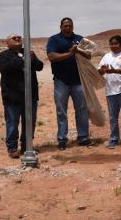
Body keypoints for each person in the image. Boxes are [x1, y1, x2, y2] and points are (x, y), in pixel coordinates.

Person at [46, 17, 91, 150]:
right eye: (65, 26)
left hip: (78, 80)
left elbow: (88, 55)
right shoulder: (54, 39)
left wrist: (80, 51)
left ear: (73, 26)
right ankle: (62, 139)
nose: (68, 28)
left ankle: (83, 137)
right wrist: (70, 53)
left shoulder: (79, 38)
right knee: (61, 111)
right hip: (61, 81)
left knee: (82, 109)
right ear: (60, 27)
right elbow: (52, 57)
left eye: (70, 25)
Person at [0, 33, 44, 158]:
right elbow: (6, 68)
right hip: (12, 96)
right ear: (7, 43)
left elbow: (40, 67)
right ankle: (12, 147)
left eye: (19, 37)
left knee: (30, 121)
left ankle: (27, 146)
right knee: (12, 122)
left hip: (30, 95)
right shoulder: (3, 55)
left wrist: (33, 58)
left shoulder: (29, 52)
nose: (18, 39)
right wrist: (24, 60)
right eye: (14, 38)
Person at [98, 35, 121, 148]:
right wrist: (102, 70)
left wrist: (114, 70)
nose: (113, 46)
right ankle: (114, 138)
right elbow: (100, 71)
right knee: (112, 116)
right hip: (110, 91)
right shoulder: (106, 56)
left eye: (116, 43)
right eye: (111, 44)